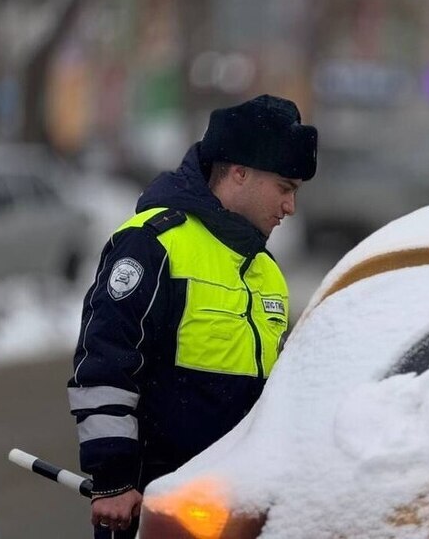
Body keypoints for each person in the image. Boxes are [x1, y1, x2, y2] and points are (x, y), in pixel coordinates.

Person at [67, 94, 318, 537]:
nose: (290, 208)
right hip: (160, 511)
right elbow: (105, 365)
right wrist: (114, 479)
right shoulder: (153, 244)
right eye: (285, 188)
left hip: (237, 511)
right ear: (240, 172)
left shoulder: (266, 272)